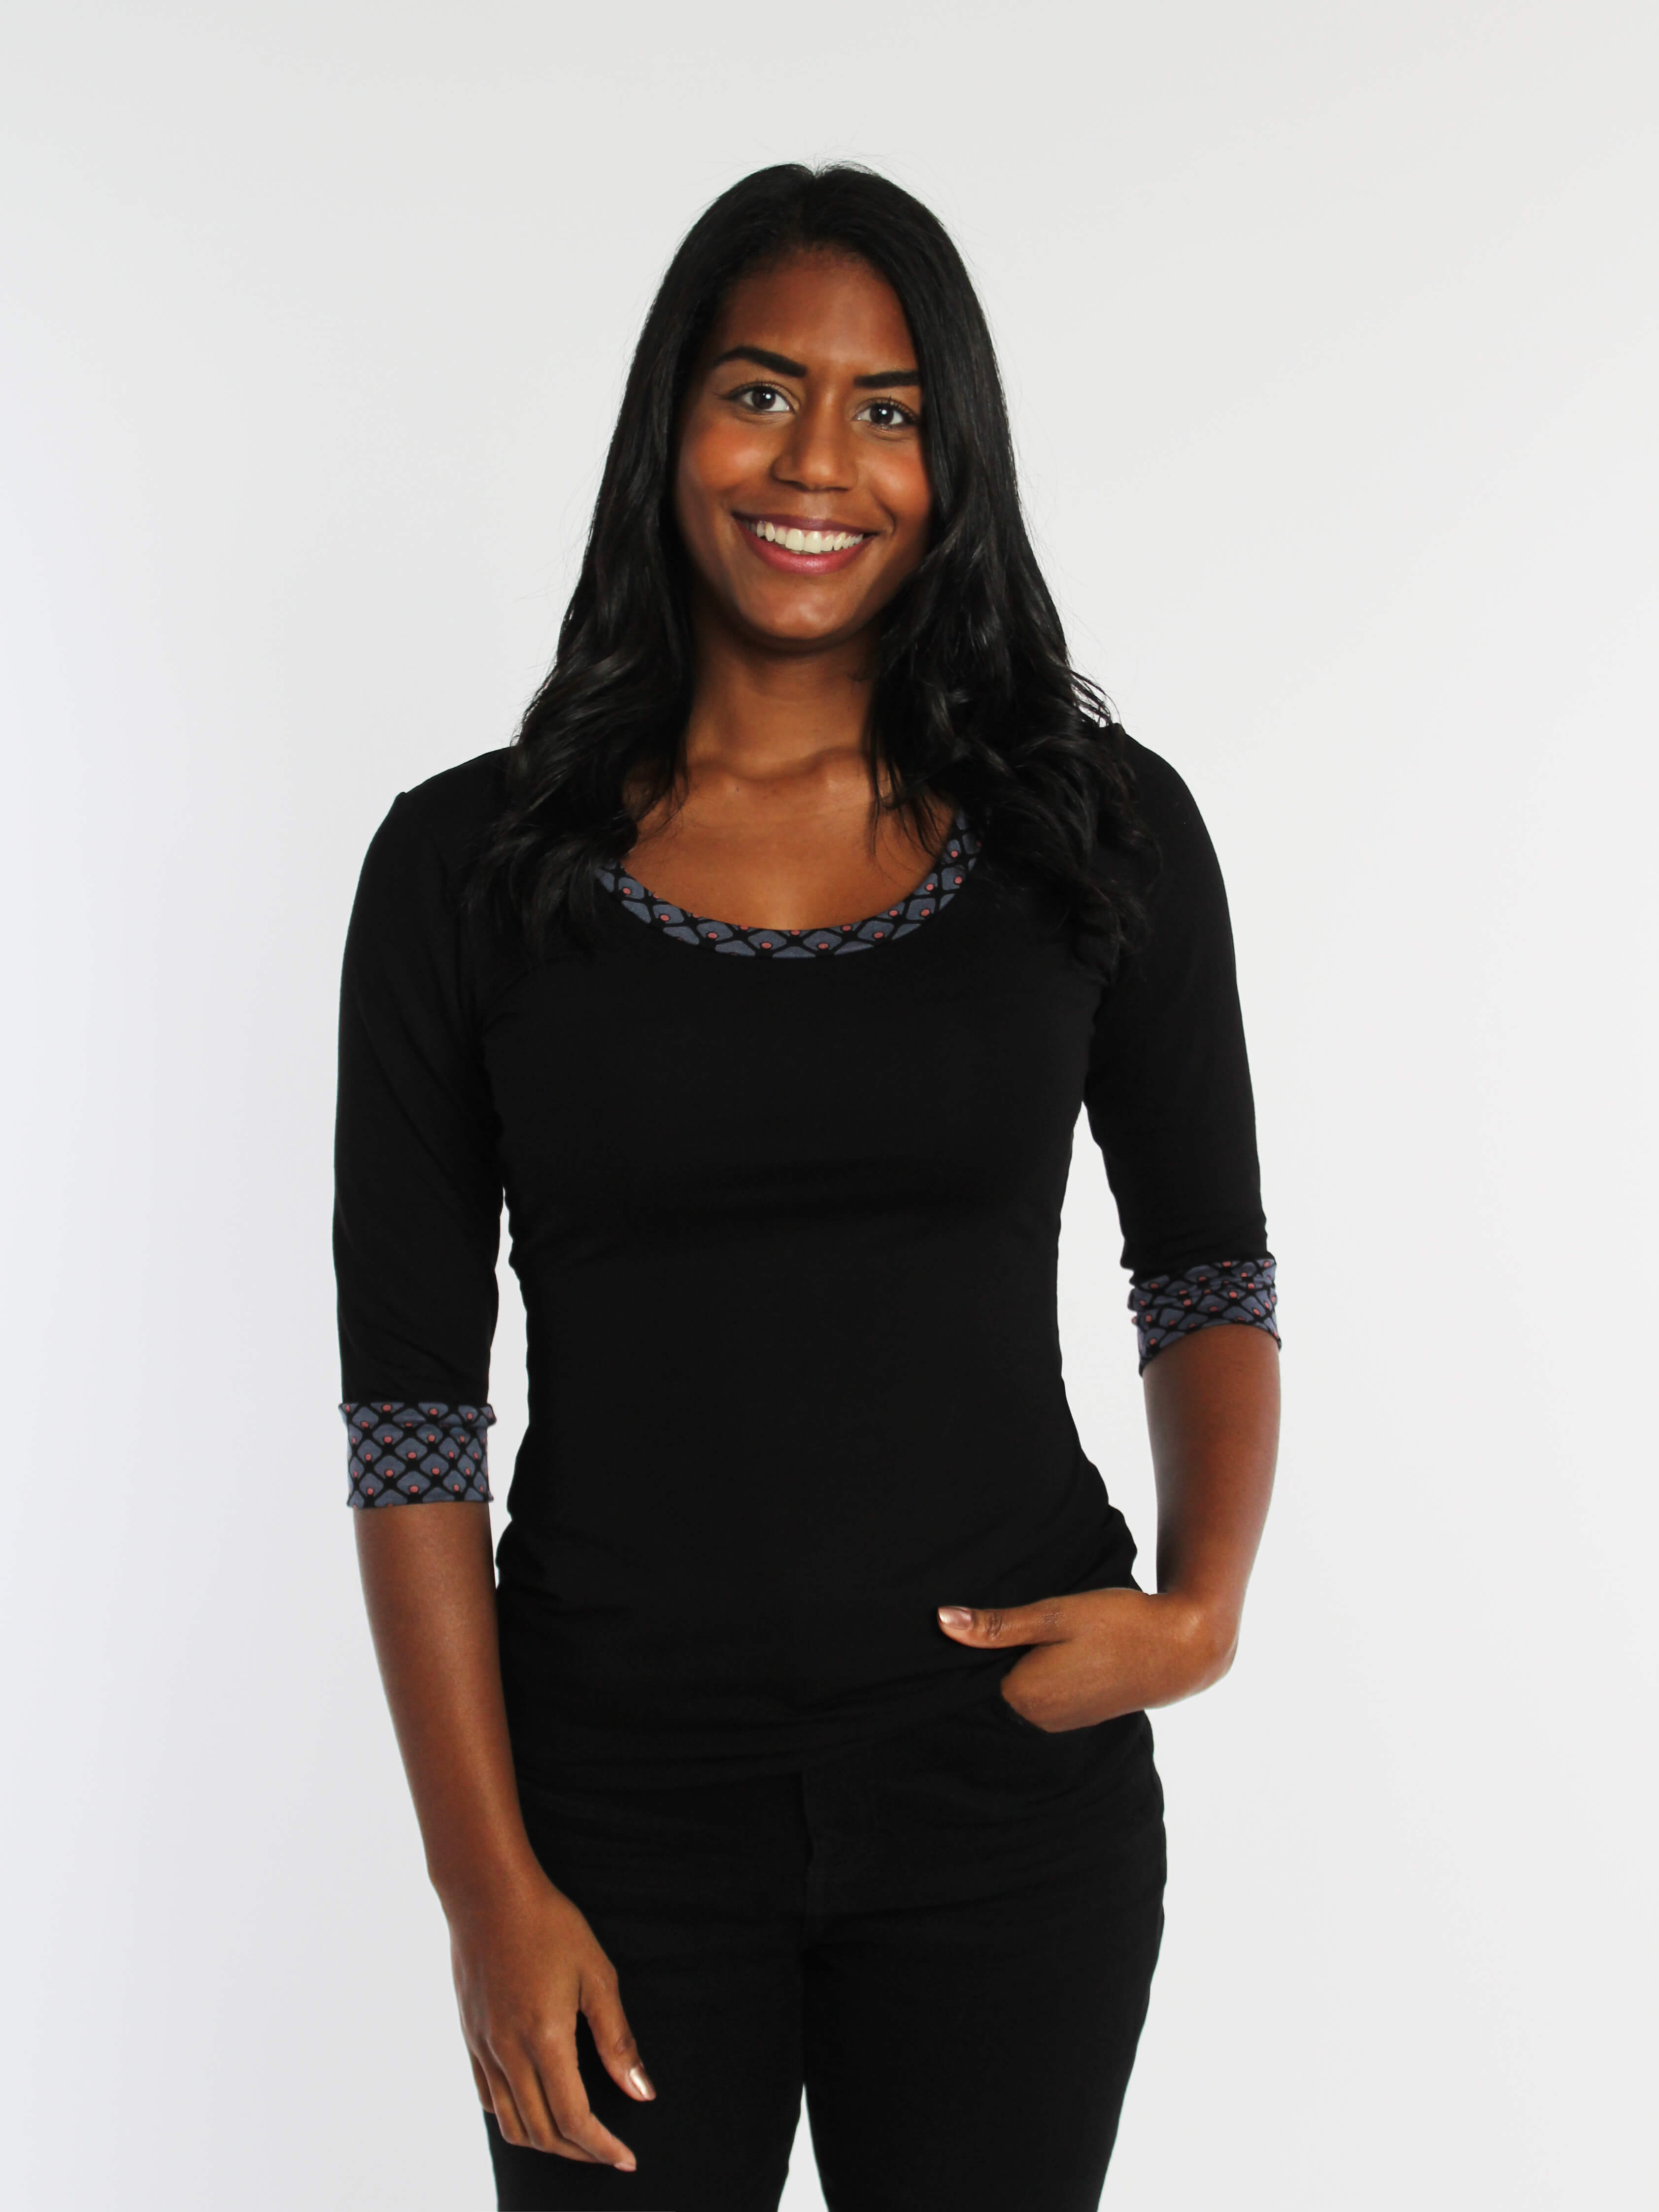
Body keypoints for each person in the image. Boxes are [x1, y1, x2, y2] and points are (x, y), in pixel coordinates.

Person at [335, 162, 1281, 2212]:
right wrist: (485, 1886)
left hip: (1003, 1799)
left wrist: (1199, 1607)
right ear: (670, 420)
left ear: (953, 462)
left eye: (888, 410)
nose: (816, 465)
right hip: (611, 1810)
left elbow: (1204, 1265)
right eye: (760, 391)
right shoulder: (463, 872)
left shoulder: (1094, 833)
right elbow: (412, 1416)